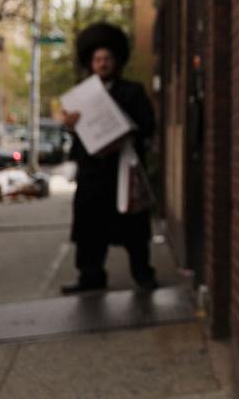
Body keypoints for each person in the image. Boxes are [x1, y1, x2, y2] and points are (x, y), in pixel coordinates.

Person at [60, 22, 158, 294]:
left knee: (133, 226)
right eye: (97, 59)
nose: (102, 64)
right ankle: (90, 276)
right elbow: (80, 136)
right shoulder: (80, 95)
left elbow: (148, 125)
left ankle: (143, 274)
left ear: (116, 61)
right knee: (89, 228)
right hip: (92, 173)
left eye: (107, 59)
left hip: (122, 170)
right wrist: (69, 124)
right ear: (91, 63)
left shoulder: (132, 92)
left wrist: (126, 133)